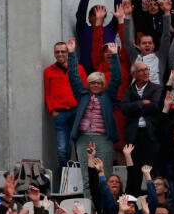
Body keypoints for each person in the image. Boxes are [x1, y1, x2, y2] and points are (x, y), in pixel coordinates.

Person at [67, 38, 122, 197]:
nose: (96, 85)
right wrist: (71, 54)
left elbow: (117, 79)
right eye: (92, 83)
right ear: (89, 84)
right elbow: (73, 77)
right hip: (84, 138)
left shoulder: (108, 96)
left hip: (103, 138)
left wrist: (115, 56)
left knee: (104, 175)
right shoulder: (82, 95)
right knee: (86, 176)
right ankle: (90, 211)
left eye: (99, 83)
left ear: (103, 84)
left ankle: (106, 209)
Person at [45, 42, 86, 172]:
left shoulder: (79, 69)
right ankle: (66, 179)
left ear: (68, 53)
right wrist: (52, 111)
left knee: (80, 147)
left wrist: (84, 111)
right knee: (62, 149)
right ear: (54, 54)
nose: (60, 54)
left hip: (77, 113)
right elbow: (48, 93)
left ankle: (83, 178)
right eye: (57, 52)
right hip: (60, 114)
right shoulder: (48, 71)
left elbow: (85, 90)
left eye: (63, 51)